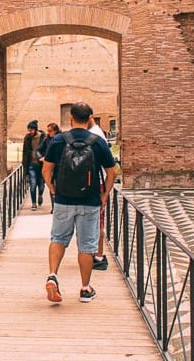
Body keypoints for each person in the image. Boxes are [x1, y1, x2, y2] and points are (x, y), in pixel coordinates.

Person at [42, 102, 116, 303]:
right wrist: (105, 194)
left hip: (64, 200)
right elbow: (112, 172)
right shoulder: (98, 142)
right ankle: (85, 289)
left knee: (58, 238)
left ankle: (53, 276)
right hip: (90, 201)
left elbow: (46, 171)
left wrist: (53, 190)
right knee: (86, 246)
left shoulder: (58, 140)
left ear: (71, 118)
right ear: (90, 117)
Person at [87, 115, 109, 271]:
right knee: (96, 220)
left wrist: (105, 193)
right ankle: (95, 255)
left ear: (90, 117)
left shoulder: (94, 135)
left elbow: (112, 169)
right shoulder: (97, 133)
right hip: (97, 182)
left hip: (96, 183)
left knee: (97, 221)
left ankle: (98, 256)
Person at [22, 120, 46, 210]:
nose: (30, 132)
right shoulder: (27, 138)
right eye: (29, 130)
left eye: (31, 130)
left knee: (41, 185)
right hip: (31, 164)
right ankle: (34, 203)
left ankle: (40, 194)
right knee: (33, 184)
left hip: (42, 165)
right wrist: (25, 165)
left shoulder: (44, 137)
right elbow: (24, 152)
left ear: (35, 129)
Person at [37, 122, 61, 213]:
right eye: (48, 131)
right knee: (51, 186)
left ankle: (58, 206)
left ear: (55, 131)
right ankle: (54, 206)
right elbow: (39, 150)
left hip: (59, 166)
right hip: (50, 166)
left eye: (50, 131)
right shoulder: (47, 139)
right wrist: (40, 158)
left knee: (58, 186)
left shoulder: (61, 139)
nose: (48, 132)